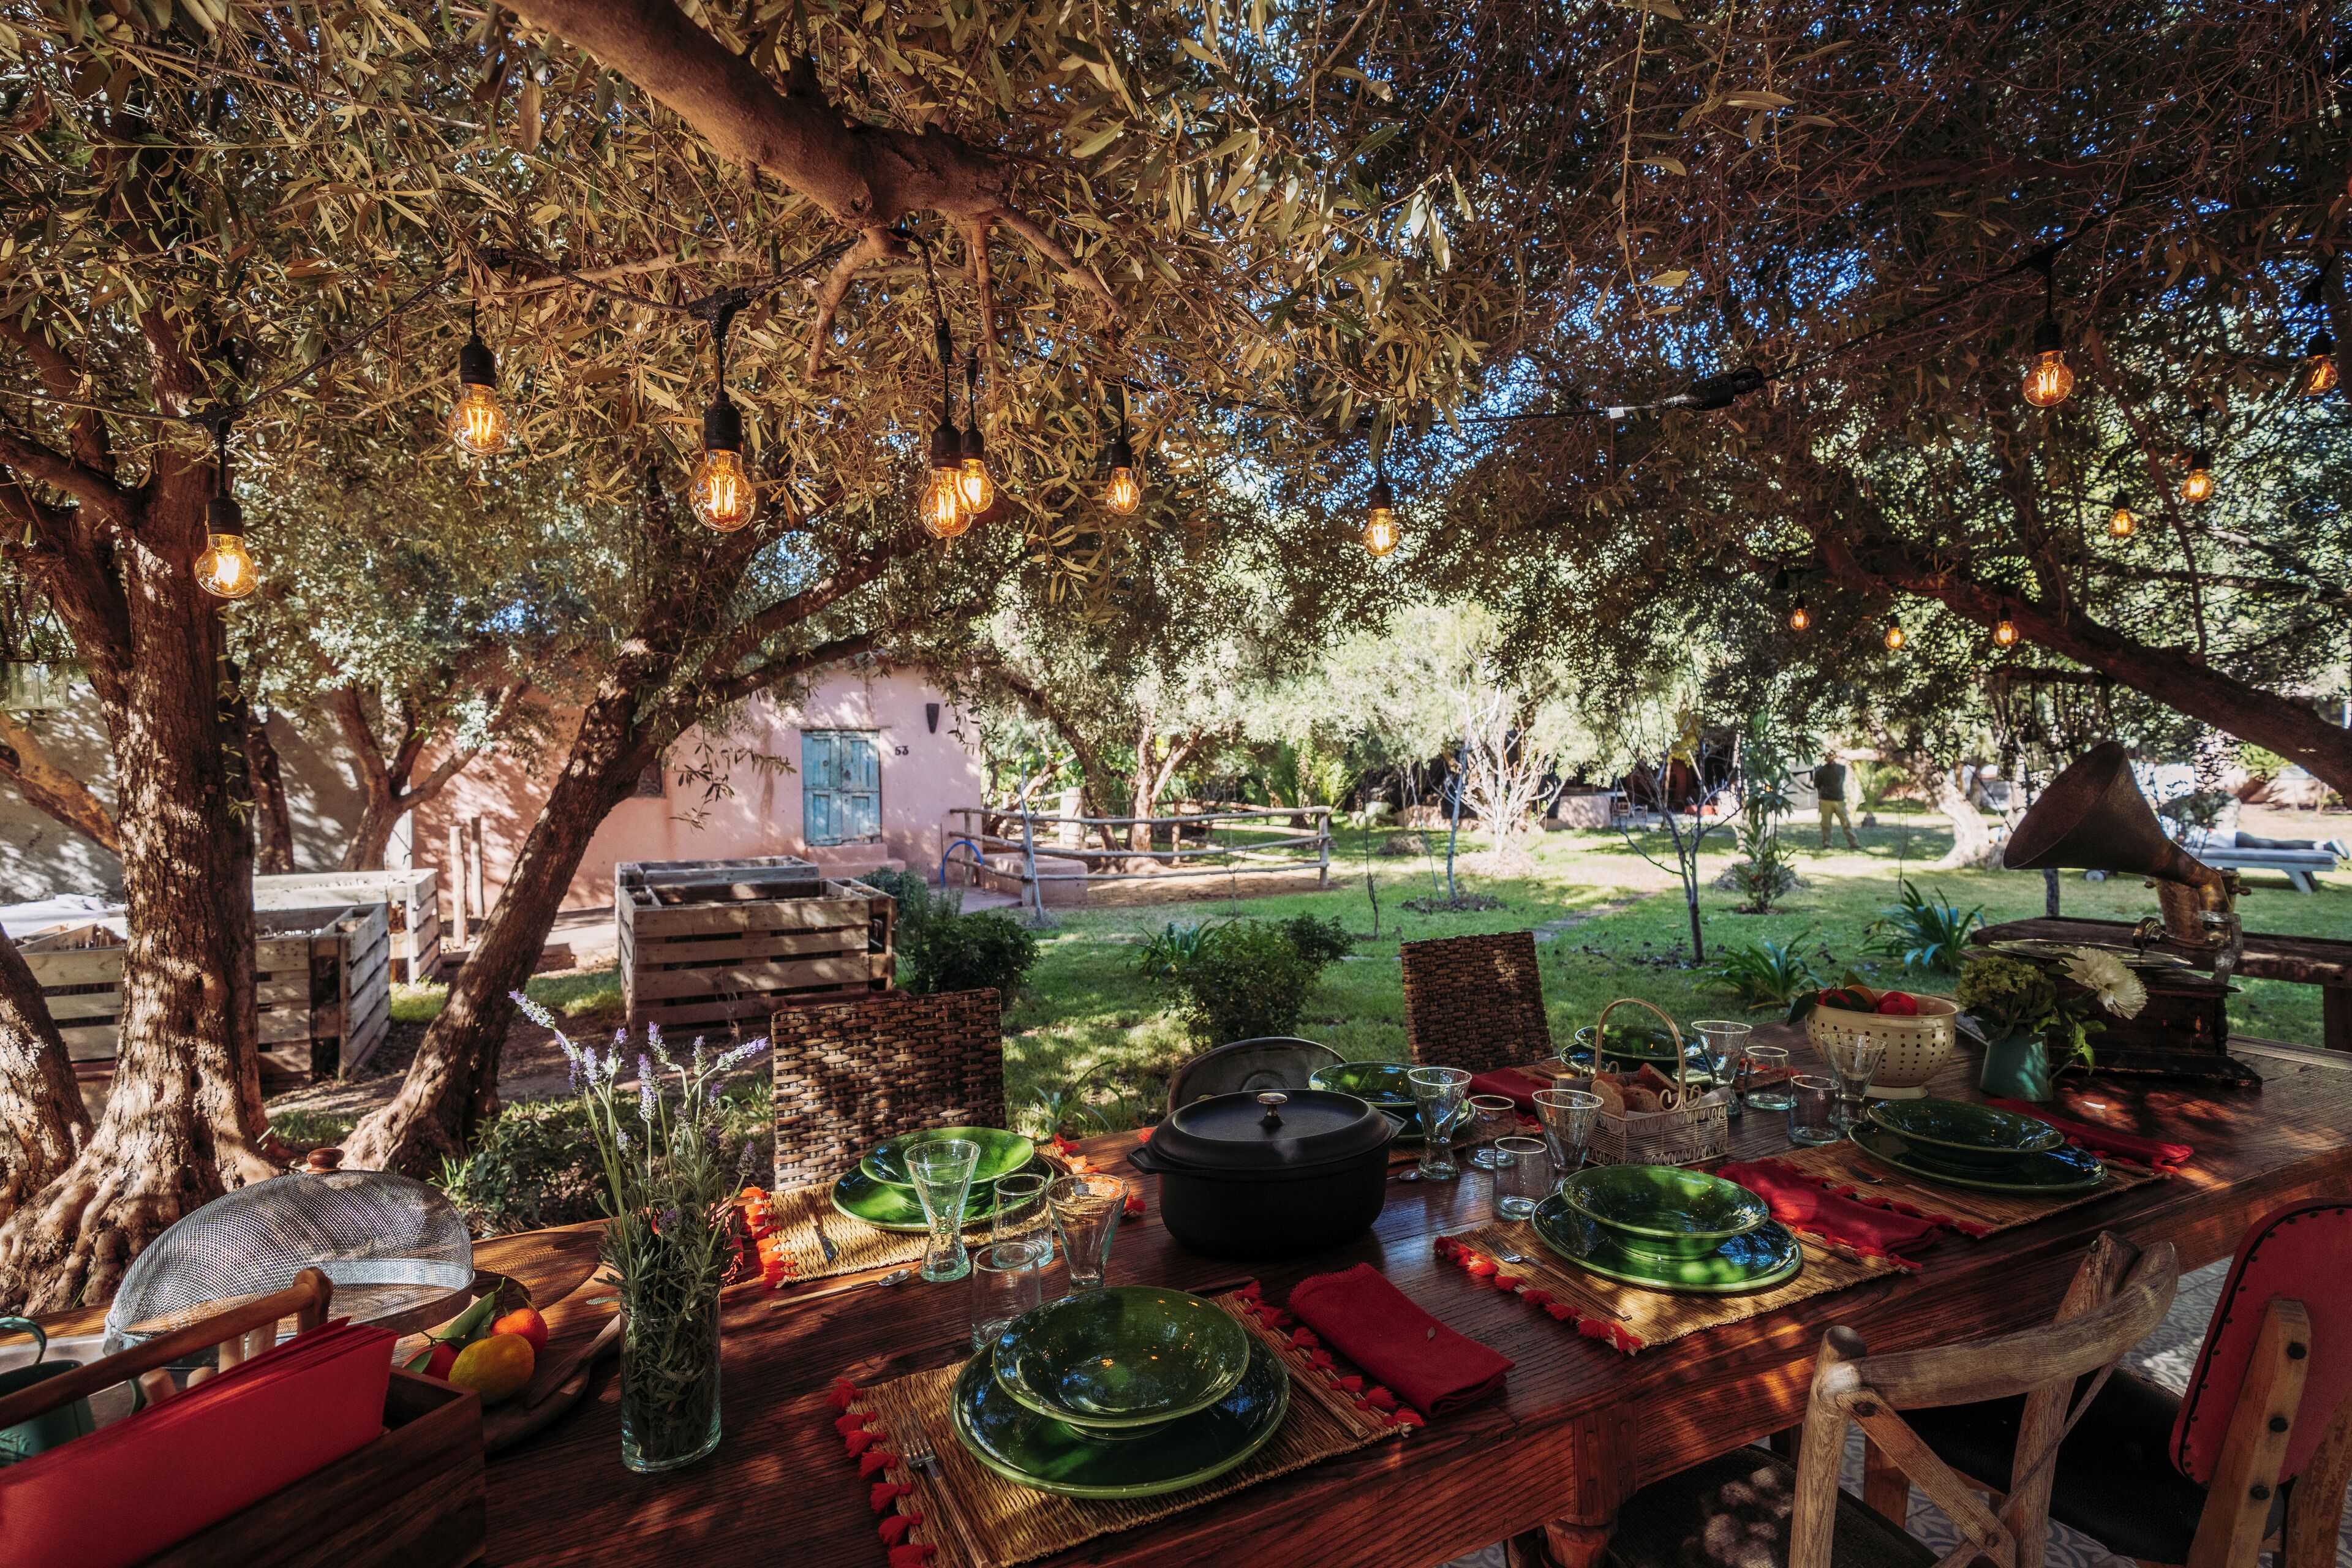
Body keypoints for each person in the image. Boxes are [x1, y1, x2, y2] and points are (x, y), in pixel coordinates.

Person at [1812, 753, 1860, 850]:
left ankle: (1854, 843)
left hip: (1837, 799)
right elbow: (1817, 784)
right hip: (1827, 800)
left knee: (1846, 823)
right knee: (1826, 824)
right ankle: (1827, 843)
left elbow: (1817, 785)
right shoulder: (1821, 771)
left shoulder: (1840, 769)